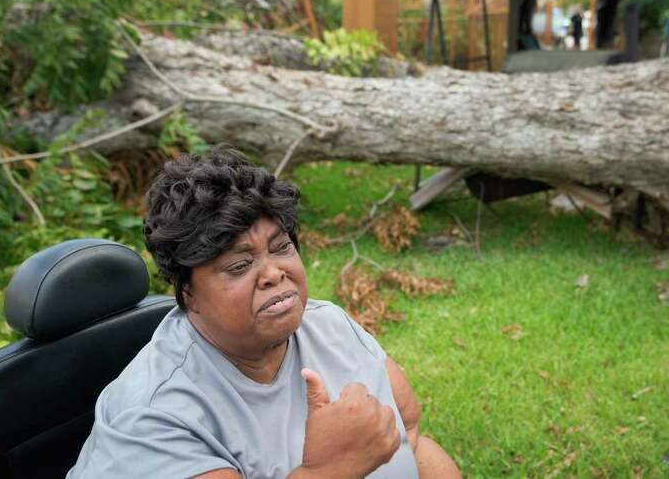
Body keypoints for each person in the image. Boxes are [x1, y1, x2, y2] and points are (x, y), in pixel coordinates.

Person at [67, 146, 461, 478]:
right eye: (240, 266)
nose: (274, 273)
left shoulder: (330, 326)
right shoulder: (156, 415)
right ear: (188, 292)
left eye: (281, 247)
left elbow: (411, 435)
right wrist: (328, 469)